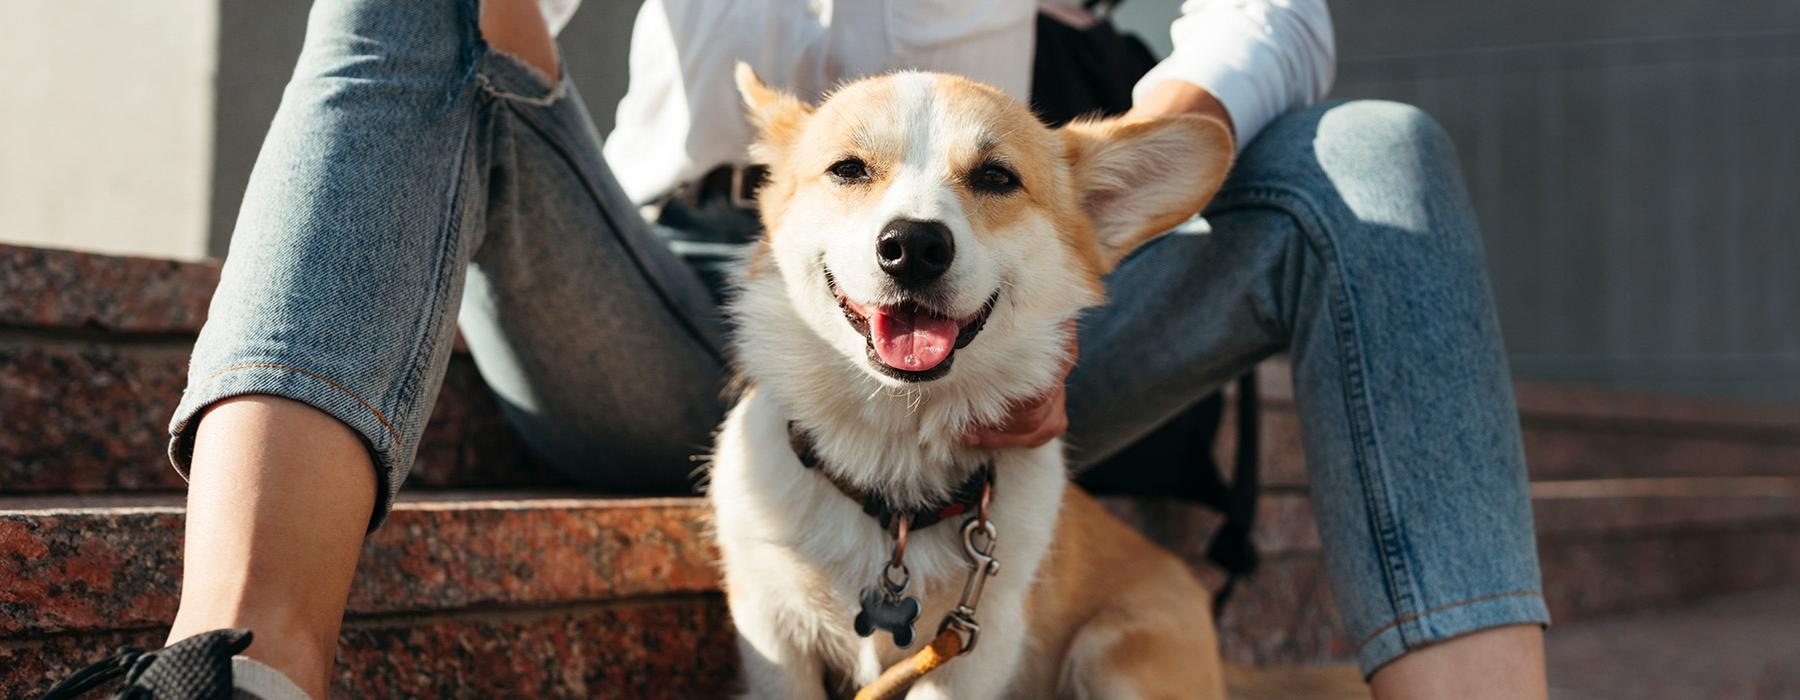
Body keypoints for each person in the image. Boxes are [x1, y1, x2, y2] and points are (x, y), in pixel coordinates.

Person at [52, 0, 1551, 698]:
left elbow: (1272, 16)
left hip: (1030, 266)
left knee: (1374, 150)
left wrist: (1099, 212)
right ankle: (238, 676)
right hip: (668, 283)